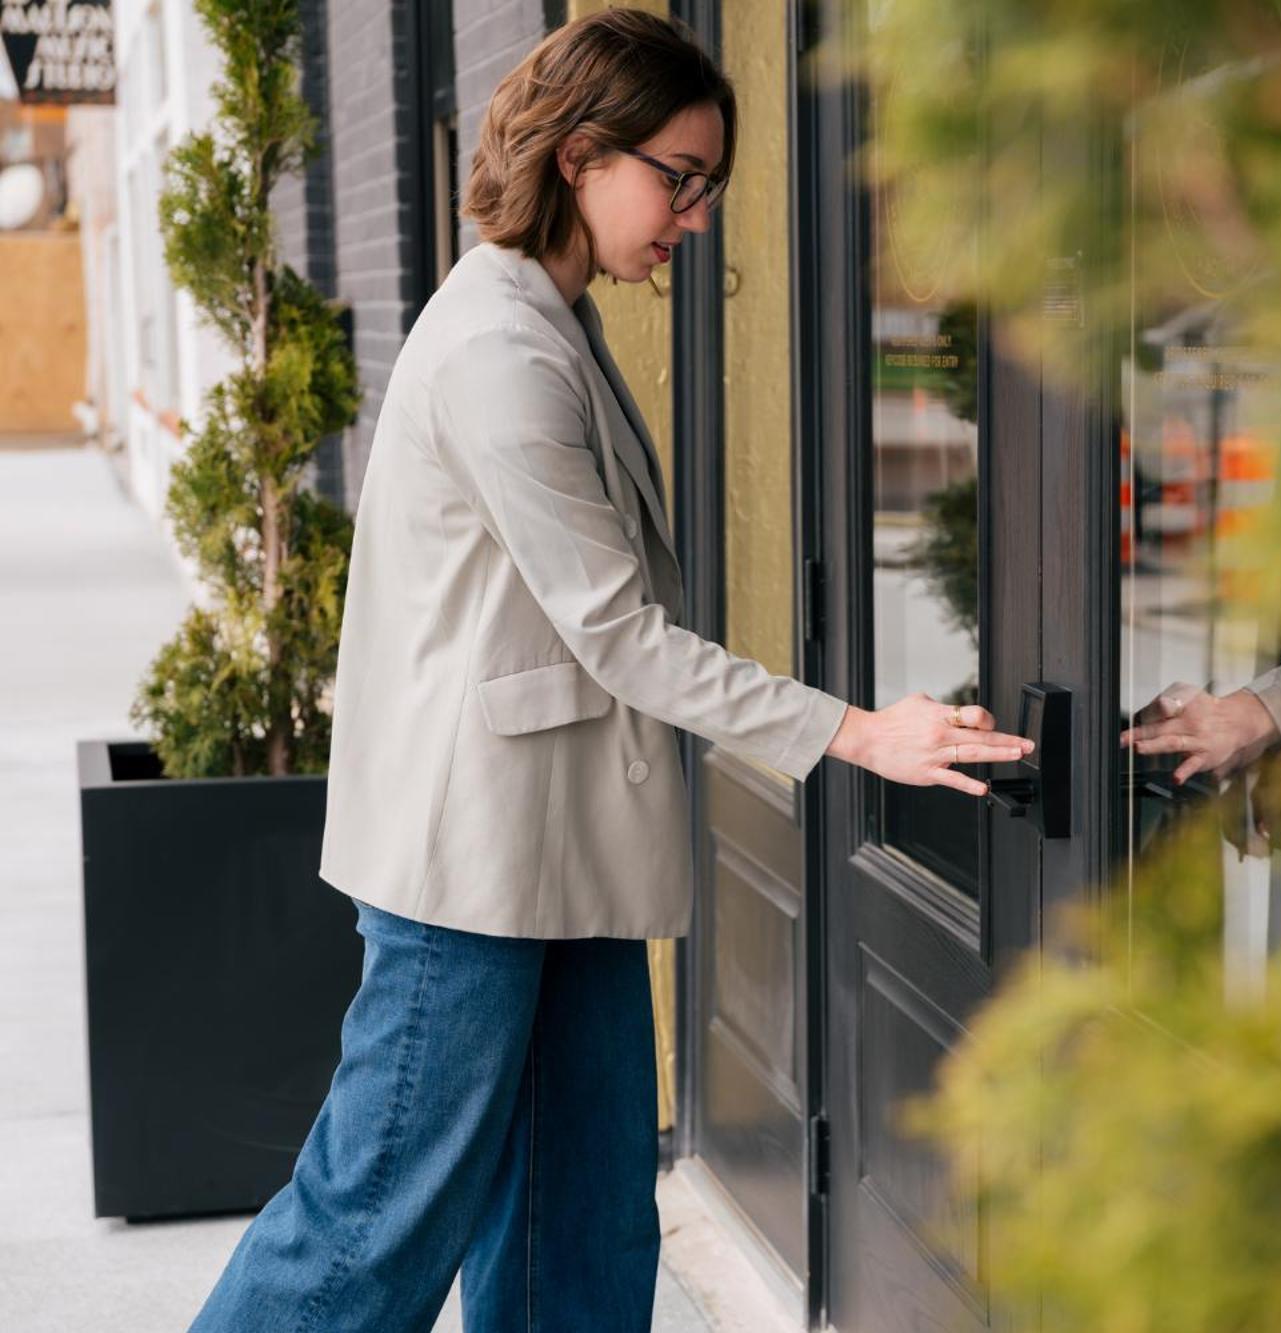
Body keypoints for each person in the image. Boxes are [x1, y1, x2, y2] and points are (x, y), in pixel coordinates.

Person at [189, 12, 1029, 1331]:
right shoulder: (500, 348)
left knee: (578, 1234)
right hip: (469, 872)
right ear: (581, 157)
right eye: (680, 178)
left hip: (556, 862)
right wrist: (863, 733)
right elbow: (623, 634)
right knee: (372, 1230)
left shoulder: (550, 319)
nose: (694, 215)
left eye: (712, 188)